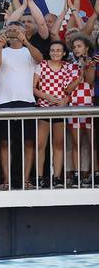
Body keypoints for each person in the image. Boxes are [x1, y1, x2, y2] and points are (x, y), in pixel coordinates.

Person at [0, 22, 42, 189]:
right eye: (10, 30)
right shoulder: (3, 51)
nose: (12, 32)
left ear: (23, 31)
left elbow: (40, 59)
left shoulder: (29, 51)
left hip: (27, 101)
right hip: (5, 101)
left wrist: (26, 42)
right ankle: (6, 180)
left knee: (28, 142)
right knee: (5, 142)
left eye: (16, 30)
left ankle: (26, 179)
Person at [33, 40, 79, 189]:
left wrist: (66, 99)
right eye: (53, 50)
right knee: (41, 144)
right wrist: (46, 96)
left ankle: (57, 177)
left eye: (59, 50)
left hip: (60, 109)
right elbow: (33, 88)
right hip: (44, 108)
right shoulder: (41, 65)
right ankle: (39, 176)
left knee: (58, 144)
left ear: (64, 53)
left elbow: (70, 89)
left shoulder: (68, 67)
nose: (55, 53)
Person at [66, 35, 96, 185]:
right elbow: (68, 89)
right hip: (74, 107)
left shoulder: (92, 64)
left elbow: (90, 82)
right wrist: (78, 76)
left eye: (79, 46)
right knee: (76, 142)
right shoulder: (69, 66)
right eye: (75, 47)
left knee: (92, 143)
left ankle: (94, 173)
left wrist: (86, 67)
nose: (77, 49)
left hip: (89, 106)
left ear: (86, 48)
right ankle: (77, 173)